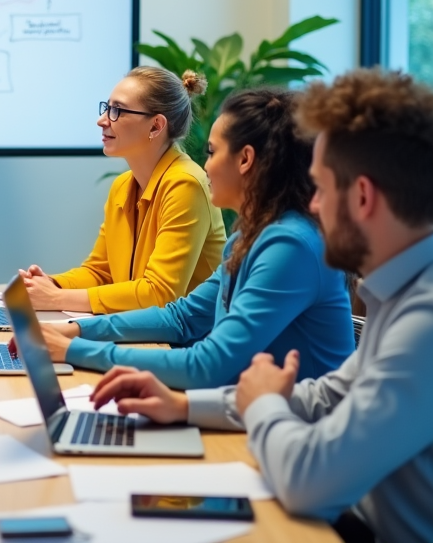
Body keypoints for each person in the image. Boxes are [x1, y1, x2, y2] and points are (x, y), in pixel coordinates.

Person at [88, 69, 433, 543]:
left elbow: (310, 483)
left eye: (322, 190)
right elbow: (326, 396)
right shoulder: (399, 293)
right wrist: (186, 406)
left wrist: (264, 405)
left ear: (363, 197)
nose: (313, 207)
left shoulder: (422, 322)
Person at [30, 89, 355, 389]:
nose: (205, 165)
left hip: (298, 433)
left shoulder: (290, 246)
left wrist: (74, 350)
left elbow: (207, 364)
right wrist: (76, 329)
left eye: (211, 152)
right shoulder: (249, 236)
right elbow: (182, 317)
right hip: (253, 414)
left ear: (245, 160)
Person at [22, 66, 226, 313]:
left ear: (155, 126)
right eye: (107, 108)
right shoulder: (123, 186)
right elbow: (100, 272)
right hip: (141, 330)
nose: (102, 120)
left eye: (117, 110)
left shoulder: (186, 184)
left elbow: (160, 294)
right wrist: (49, 285)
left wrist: (55, 299)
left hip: (189, 343)